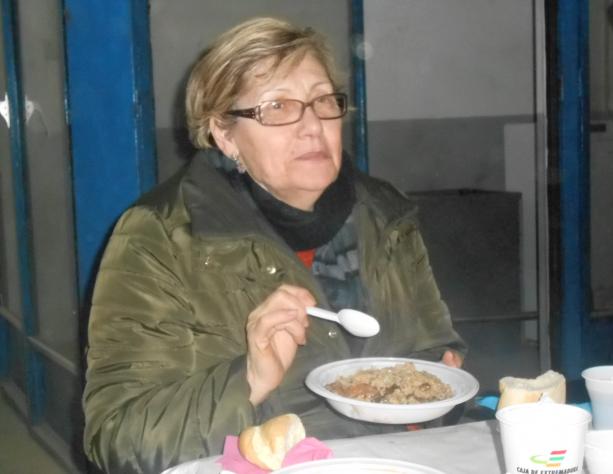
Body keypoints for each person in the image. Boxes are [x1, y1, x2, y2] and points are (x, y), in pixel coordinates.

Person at [82, 16, 467, 474]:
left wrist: (433, 390)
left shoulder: (386, 214)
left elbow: (435, 351)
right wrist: (249, 378)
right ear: (225, 134)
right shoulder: (161, 236)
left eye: (323, 101)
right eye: (278, 107)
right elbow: (117, 437)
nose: (312, 126)